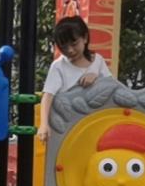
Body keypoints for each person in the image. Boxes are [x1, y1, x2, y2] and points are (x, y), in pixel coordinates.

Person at [38, 15, 112, 143]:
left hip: (95, 124)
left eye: (74, 44)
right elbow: (48, 95)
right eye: (64, 46)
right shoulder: (59, 66)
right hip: (69, 126)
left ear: (85, 38)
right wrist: (44, 124)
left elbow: (112, 87)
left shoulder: (98, 61)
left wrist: (95, 77)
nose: (70, 50)